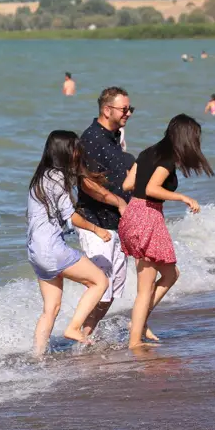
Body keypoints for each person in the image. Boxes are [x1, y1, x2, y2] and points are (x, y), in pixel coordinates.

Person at [119, 114, 214, 349]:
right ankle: (134, 342)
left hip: (133, 214)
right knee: (146, 287)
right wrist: (182, 196)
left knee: (170, 275)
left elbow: (127, 185)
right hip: (147, 216)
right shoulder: (168, 160)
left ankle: (139, 323)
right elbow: (152, 189)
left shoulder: (148, 152)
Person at [28, 131, 110, 355]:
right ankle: (74, 328)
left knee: (50, 309)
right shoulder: (57, 178)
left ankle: (37, 356)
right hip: (53, 250)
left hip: (35, 251)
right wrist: (96, 229)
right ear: (64, 151)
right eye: (75, 149)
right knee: (99, 282)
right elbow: (70, 216)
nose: (78, 153)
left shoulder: (40, 178)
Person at [76, 87, 135, 336]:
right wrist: (119, 203)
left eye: (130, 109)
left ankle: (85, 335)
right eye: (124, 109)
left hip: (117, 224)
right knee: (100, 286)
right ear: (106, 109)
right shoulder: (90, 139)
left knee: (114, 289)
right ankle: (77, 334)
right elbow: (85, 182)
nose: (129, 113)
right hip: (96, 224)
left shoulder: (114, 137)